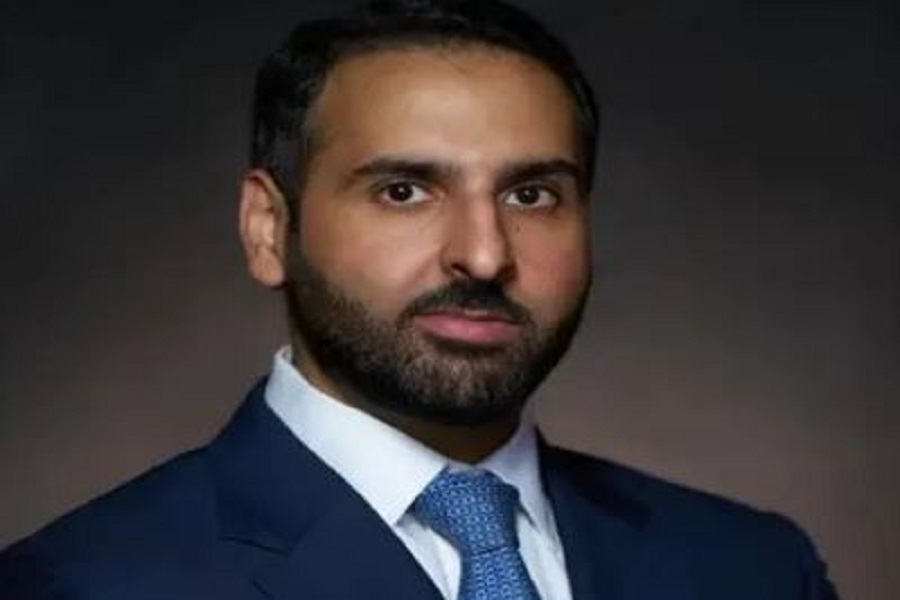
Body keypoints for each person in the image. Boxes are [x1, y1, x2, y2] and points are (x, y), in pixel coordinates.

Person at [0, 1, 839, 598]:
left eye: (532, 195)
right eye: (403, 191)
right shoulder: (83, 583)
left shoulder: (754, 569)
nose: (484, 254)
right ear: (268, 229)